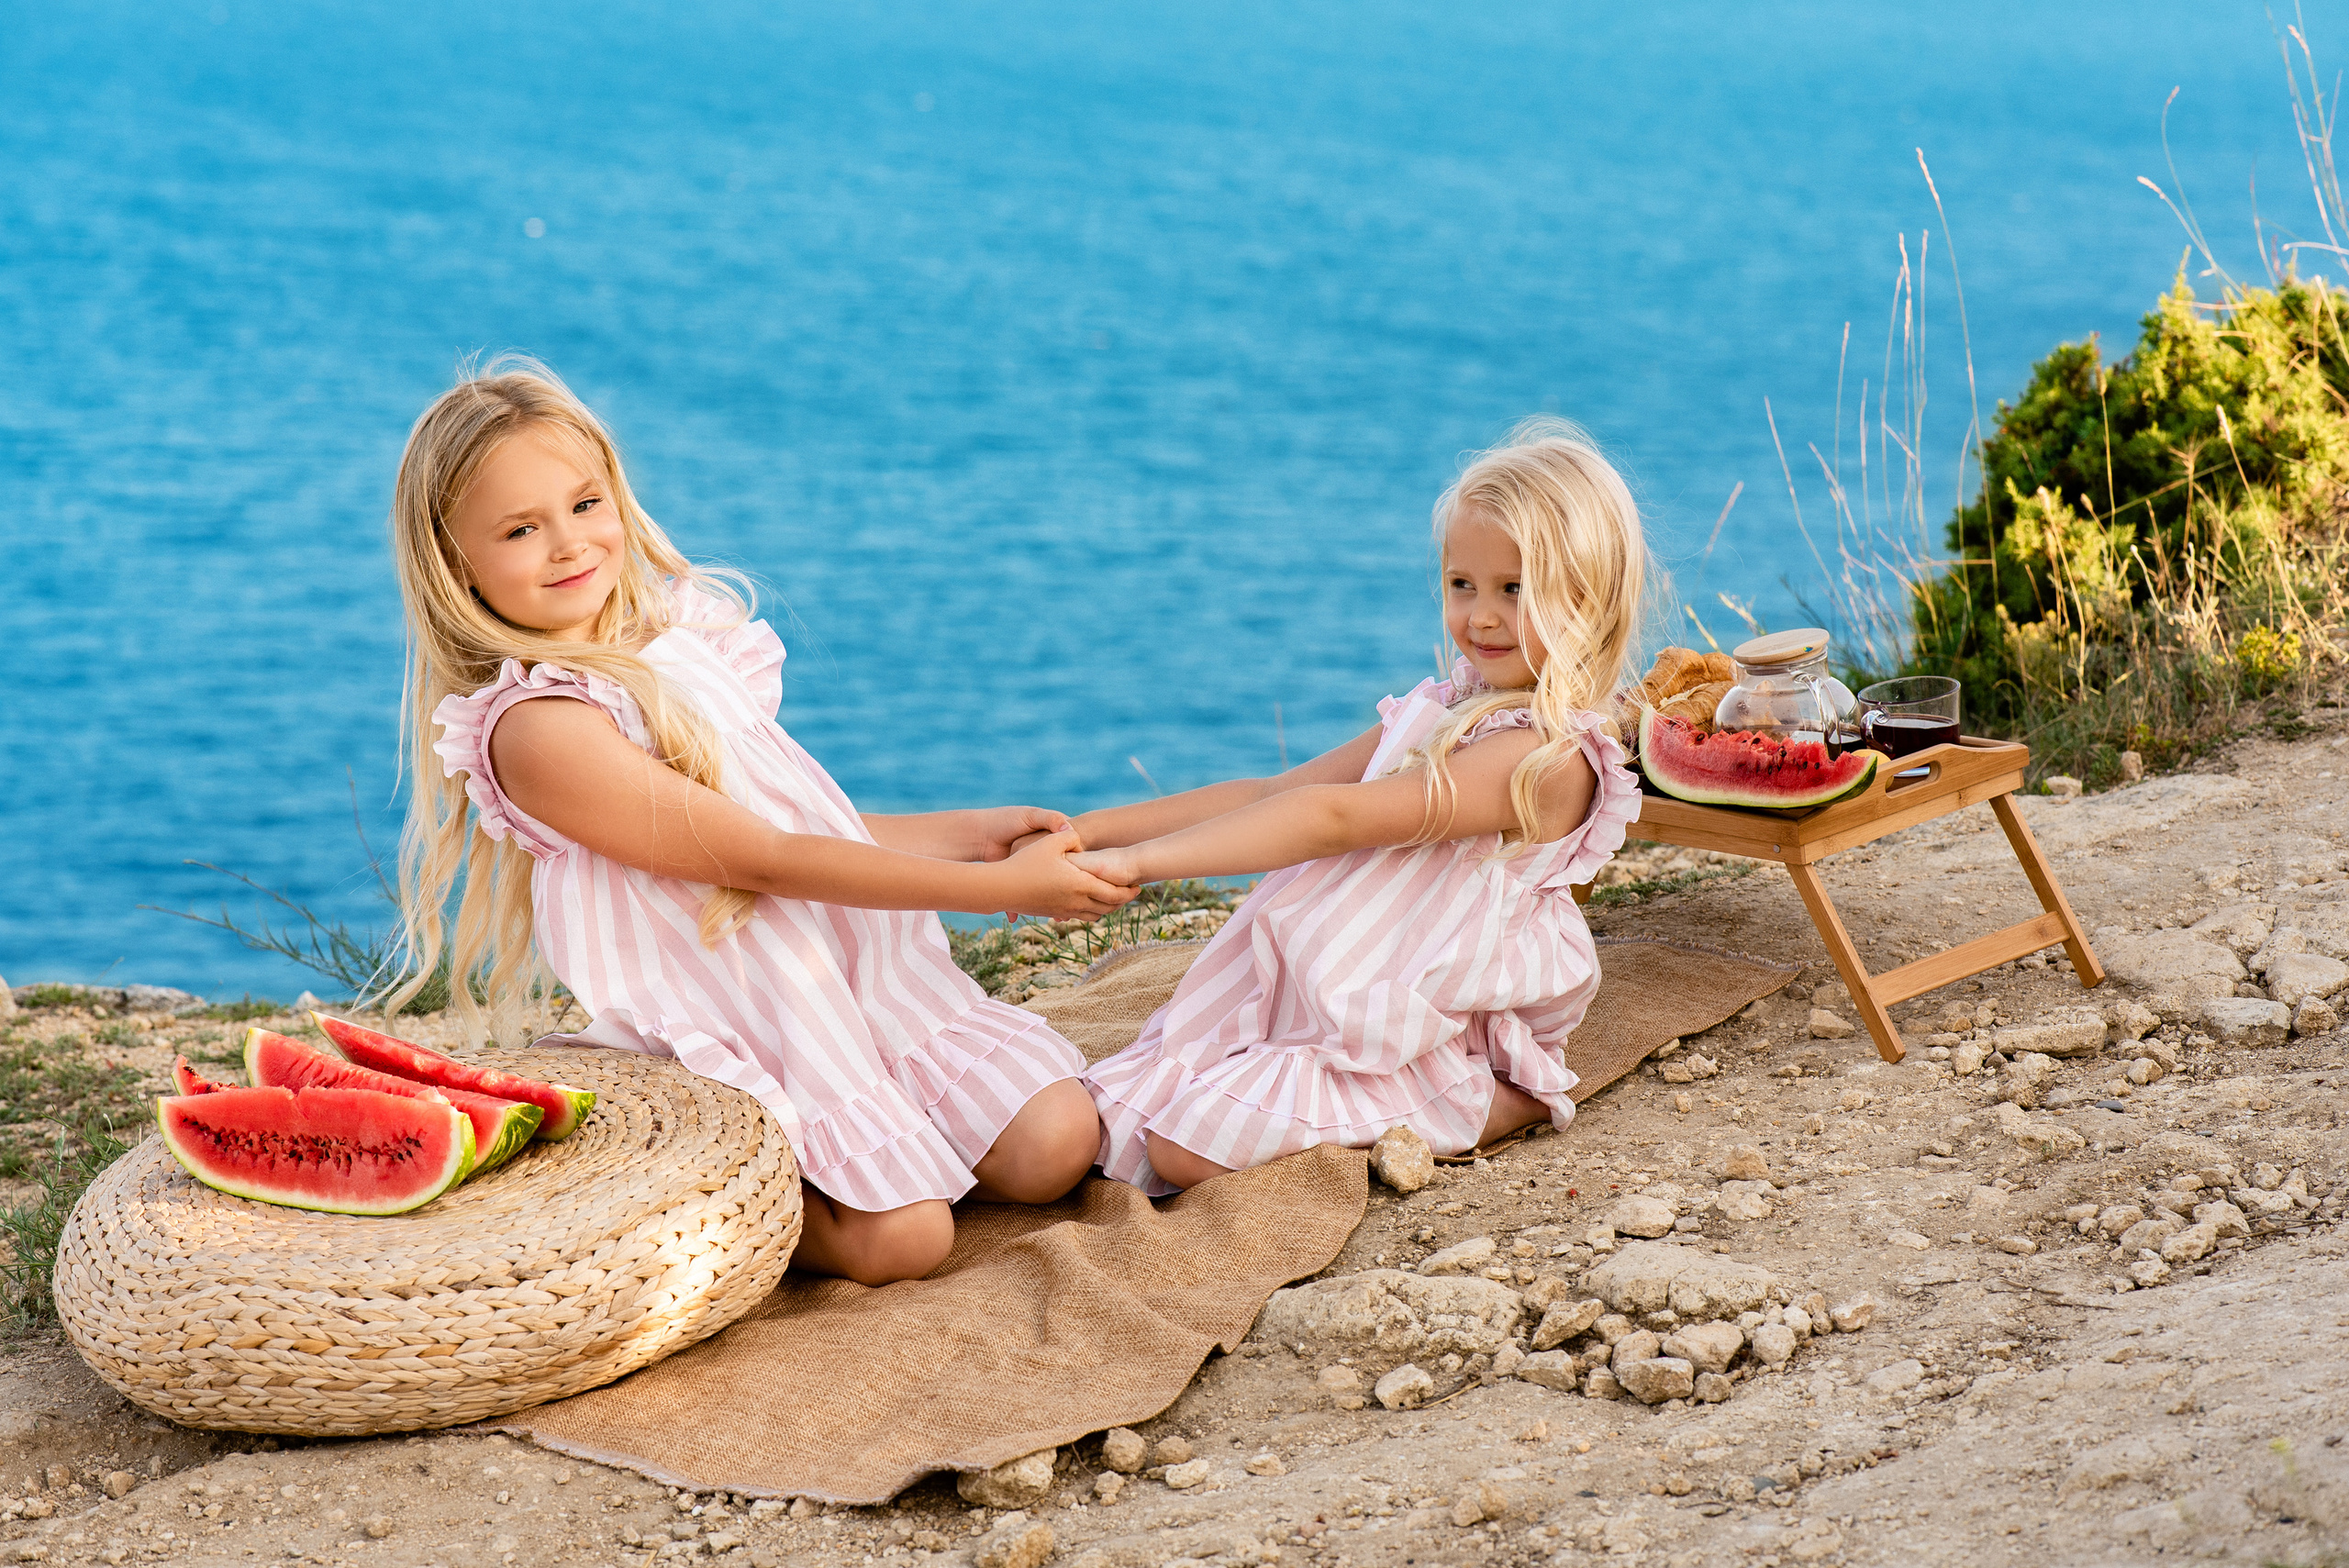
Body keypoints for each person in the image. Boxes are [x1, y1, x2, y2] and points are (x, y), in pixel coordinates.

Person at [384, 358, 1132, 1284]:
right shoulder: (537, 729)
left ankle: (884, 1143)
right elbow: (763, 857)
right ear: (457, 564)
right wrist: (992, 890)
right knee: (906, 1239)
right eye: (520, 529)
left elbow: (795, 815)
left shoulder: (676, 639)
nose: (569, 544)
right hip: (741, 1013)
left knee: (1056, 1142)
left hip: (834, 976)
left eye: (584, 504)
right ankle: (685, 1167)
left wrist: (967, 831)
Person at [1064, 419, 1648, 1193]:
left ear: (1588, 596)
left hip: (1419, 1018)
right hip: (1334, 981)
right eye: (1461, 584)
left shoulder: (1545, 759)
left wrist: (1140, 865)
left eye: (1516, 589)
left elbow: (1334, 816)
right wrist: (1089, 831)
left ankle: (1501, 1099)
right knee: (1119, 1126)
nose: (1479, 616)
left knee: (1181, 1148)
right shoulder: (1442, 707)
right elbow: (1280, 791)